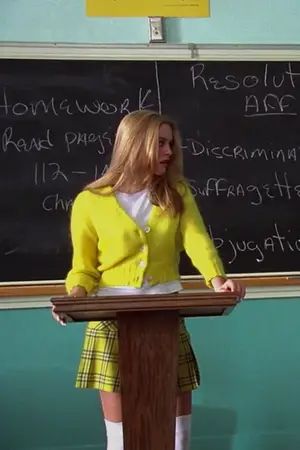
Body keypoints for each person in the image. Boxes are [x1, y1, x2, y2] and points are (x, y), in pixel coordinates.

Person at [52, 110, 245, 450]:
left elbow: (197, 241)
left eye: (171, 143)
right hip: (109, 320)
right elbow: (83, 267)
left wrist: (218, 281)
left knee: (177, 436)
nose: (169, 151)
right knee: (121, 437)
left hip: (166, 314)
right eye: (160, 143)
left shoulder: (177, 193)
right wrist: (76, 295)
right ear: (134, 144)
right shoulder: (90, 202)